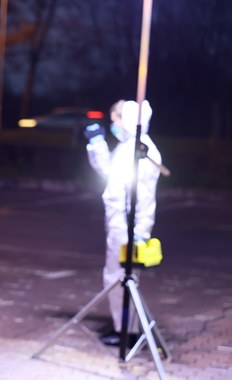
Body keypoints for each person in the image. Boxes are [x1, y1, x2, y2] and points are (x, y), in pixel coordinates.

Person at [84, 99, 162, 346]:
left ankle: (127, 333)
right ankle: (124, 328)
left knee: (121, 278)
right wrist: (96, 146)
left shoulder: (141, 152)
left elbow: (142, 197)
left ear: (127, 119)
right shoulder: (129, 149)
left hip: (128, 227)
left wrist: (139, 231)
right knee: (117, 278)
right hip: (120, 224)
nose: (113, 124)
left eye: (116, 119)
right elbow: (111, 176)